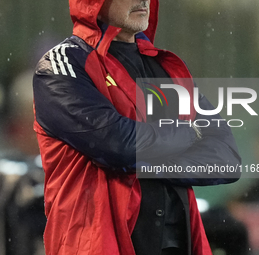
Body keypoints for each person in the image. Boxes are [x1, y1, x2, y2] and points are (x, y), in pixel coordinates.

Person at [32, 0, 241, 255]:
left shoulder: (164, 67)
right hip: (97, 244)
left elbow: (227, 159)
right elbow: (119, 145)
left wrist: (142, 158)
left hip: (177, 244)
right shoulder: (61, 63)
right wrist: (191, 133)